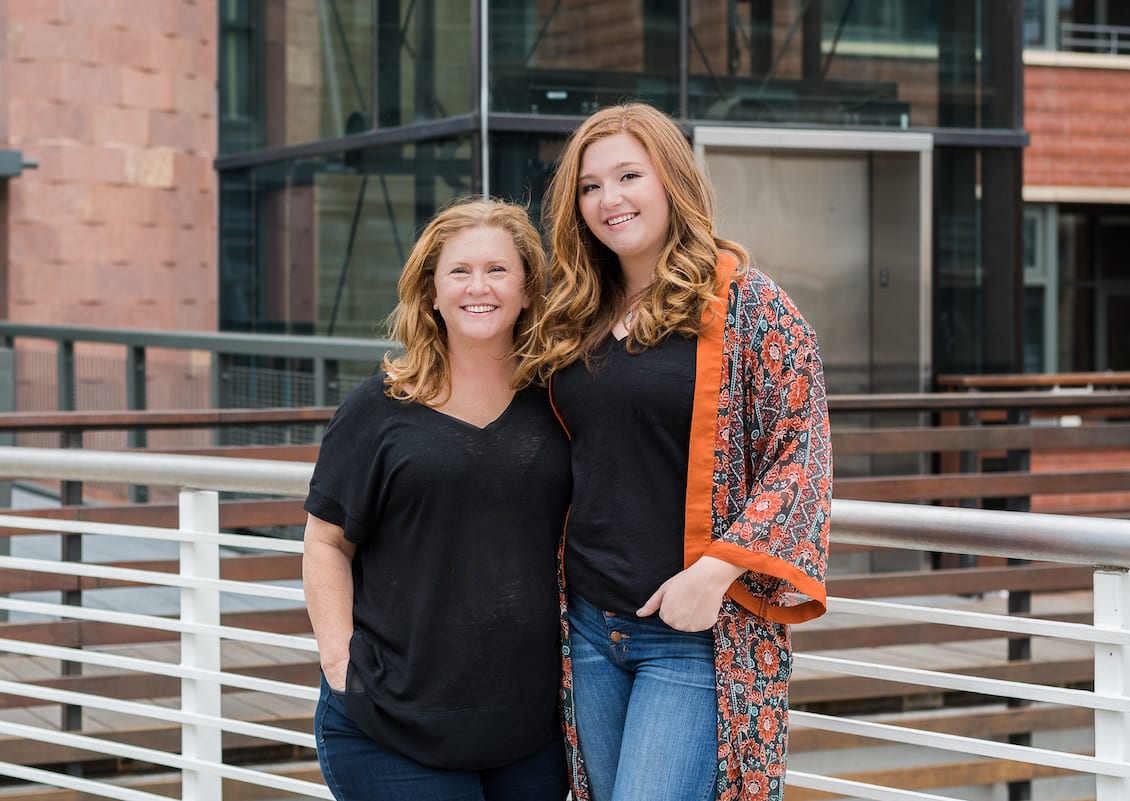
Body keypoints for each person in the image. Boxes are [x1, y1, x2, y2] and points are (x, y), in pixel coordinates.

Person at [526, 102, 832, 801]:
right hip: (588, 626)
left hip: (694, 632)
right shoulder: (571, 314)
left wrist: (715, 572)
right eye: (590, 185)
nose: (610, 199)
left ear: (673, 181)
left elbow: (802, 455)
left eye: (629, 174)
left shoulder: (748, 303)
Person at [302, 197, 571, 801]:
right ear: (431, 292)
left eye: (499, 270)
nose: (480, 287)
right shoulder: (377, 410)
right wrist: (340, 663)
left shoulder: (558, 402)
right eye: (460, 271)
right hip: (391, 727)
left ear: (528, 290)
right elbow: (324, 543)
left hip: (530, 736)